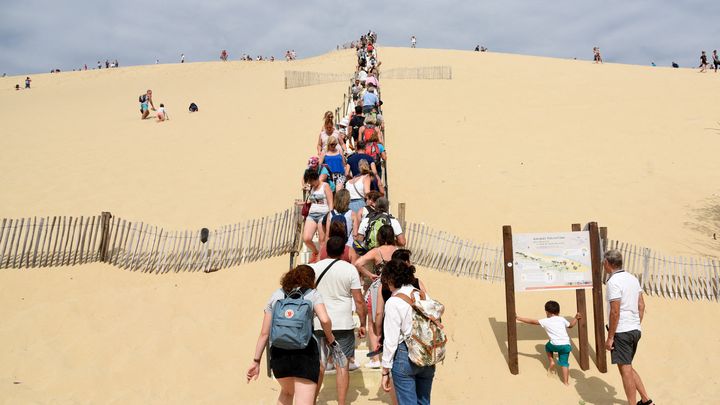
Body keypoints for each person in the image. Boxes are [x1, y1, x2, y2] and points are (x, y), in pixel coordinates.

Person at [246, 265, 337, 405]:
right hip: (305, 354)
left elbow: (264, 333)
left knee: (287, 393)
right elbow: (324, 320)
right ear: (311, 280)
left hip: (279, 354)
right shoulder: (312, 294)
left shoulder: (276, 295)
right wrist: (330, 338)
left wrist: (256, 361)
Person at [311, 236, 367, 405]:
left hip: (320, 322)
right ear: (344, 251)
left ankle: (311, 400)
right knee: (342, 366)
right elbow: (358, 300)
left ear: (326, 250)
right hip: (343, 323)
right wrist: (363, 323)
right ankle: (342, 403)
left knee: (319, 365)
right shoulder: (350, 270)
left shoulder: (314, 268)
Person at [380, 259, 436, 404]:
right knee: (424, 402)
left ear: (391, 279)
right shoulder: (421, 294)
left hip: (405, 355)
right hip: (426, 353)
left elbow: (391, 340)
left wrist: (385, 370)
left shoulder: (393, 302)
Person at [603, 249, 654, 405]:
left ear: (607, 263)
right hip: (634, 329)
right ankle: (646, 400)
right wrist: (636, 324)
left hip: (622, 331)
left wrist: (610, 337)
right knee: (628, 367)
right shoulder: (633, 279)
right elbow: (641, 305)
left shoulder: (613, 282)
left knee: (625, 370)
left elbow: (615, 311)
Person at [354, 225, 399, 368]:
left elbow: (358, 263)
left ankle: (375, 359)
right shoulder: (398, 251)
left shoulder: (376, 251)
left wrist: (369, 275)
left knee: (372, 321)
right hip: (396, 287)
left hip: (379, 286)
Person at [516, 301, 581, 385]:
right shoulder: (561, 319)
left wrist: (518, 318)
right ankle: (566, 382)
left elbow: (532, 321)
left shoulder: (546, 321)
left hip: (554, 345)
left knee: (547, 347)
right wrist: (576, 318)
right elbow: (571, 325)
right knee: (565, 363)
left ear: (547, 312)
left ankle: (551, 361)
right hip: (566, 345)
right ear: (558, 311)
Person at [303, 169, 333, 263]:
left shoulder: (325, 186)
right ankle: (315, 253)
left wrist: (330, 216)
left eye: (311, 181)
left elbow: (330, 202)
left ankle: (321, 258)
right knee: (306, 238)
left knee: (322, 240)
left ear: (315, 178)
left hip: (323, 214)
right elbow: (311, 201)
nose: (310, 183)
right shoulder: (312, 188)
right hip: (312, 214)